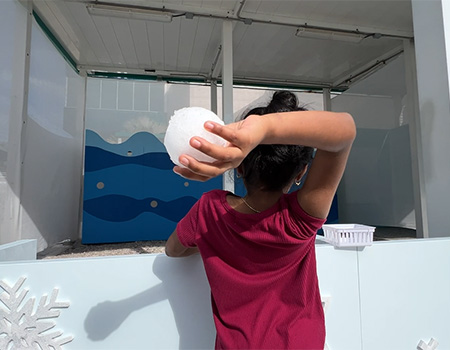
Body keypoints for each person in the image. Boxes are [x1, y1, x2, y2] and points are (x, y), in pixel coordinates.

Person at [165, 91, 356, 349]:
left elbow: (173, 250)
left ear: (240, 166)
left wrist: (212, 240)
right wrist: (263, 129)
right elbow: (345, 131)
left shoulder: (208, 210)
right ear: (301, 172)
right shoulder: (299, 219)